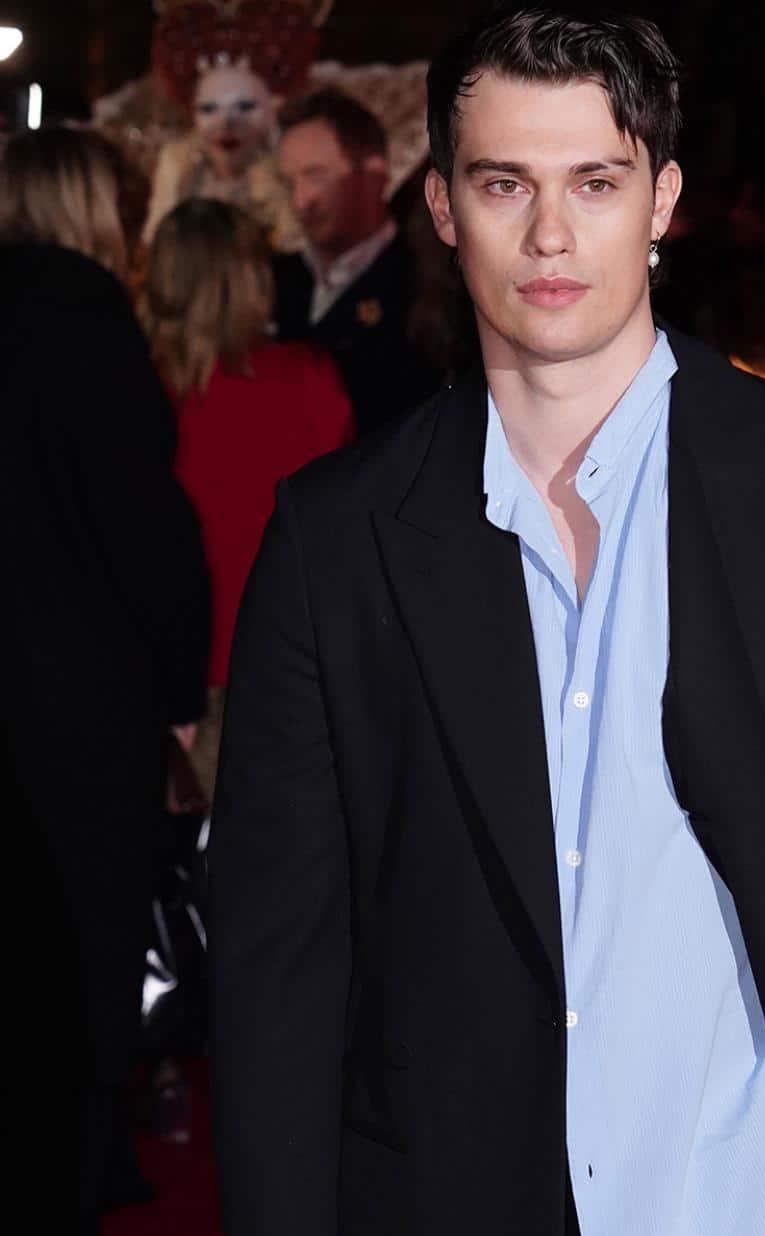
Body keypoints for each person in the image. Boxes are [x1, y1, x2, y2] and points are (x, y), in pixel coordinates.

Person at [209, 10, 765, 1236]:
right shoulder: (336, 539)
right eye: (504, 184)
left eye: (593, 182)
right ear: (441, 208)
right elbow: (278, 956)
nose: (549, 235)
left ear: (662, 200)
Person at [0, 126, 209, 1236]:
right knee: (79, 972)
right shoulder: (86, 323)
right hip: (76, 709)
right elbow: (147, 530)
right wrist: (178, 692)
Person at [143, 197, 353, 802]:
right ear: (253, 278)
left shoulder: (137, 390)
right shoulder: (308, 378)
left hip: (166, 673)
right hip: (289, 669)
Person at [273, 87, 443, 435]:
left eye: (317, 176)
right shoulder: (269, 281)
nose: (301, 200)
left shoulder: (428, 287)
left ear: (373, 173)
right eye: (289, 182)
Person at [142, 0, 321, 250]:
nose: (226, 125)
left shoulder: (291, 168)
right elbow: (156, 251)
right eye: (209, 109)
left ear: (274, 107)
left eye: (245, 107)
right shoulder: (179, 167)